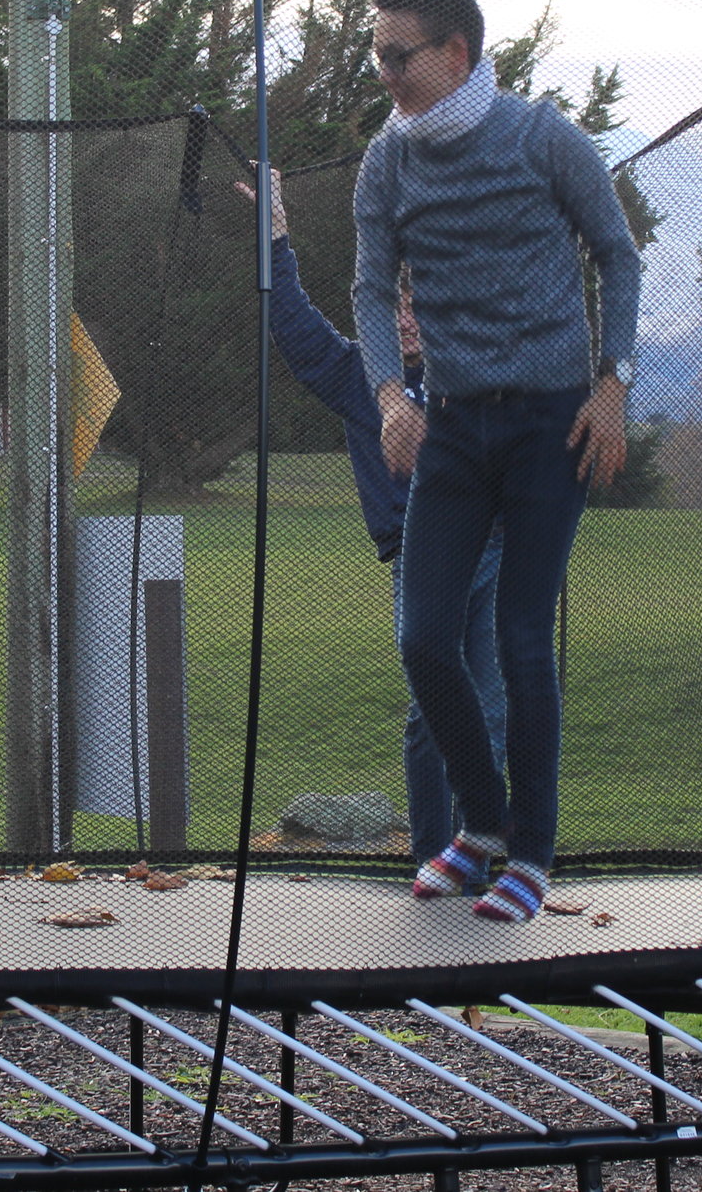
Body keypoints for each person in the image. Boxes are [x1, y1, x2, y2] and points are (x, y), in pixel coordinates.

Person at [352, 0, 642, 923]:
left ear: (456, 54)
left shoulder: (541, 137)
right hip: (455, 423)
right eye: (378, 54)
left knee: (521, 636)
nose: (385, 72)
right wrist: (392, 392)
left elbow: (616, 251)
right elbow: (366, 288)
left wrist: (614, 382)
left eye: (399, 56)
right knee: (423, 638)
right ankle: (482, 825)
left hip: (551, 420)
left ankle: (534, 852)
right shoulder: (386, 164)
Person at [236, 168, 507, 878]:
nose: (408, 319)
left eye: (419, 305)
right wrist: (275, 239)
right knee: (434, 708)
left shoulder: (468, 370)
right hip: (421, 558)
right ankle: (431, 853)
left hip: (493, 552)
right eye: (396, 308)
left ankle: (481, 849)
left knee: (496, 705)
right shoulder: (363, 377)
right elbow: (293, 325)